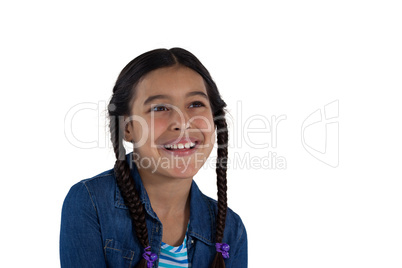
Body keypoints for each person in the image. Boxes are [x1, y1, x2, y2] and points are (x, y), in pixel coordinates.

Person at [60, 48, 248, 267]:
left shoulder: (230, 229)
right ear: (128, 127)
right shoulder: (91, 203)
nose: (182, 121)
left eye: (195, 104)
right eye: (159, 107)